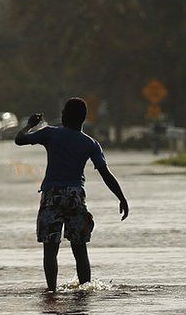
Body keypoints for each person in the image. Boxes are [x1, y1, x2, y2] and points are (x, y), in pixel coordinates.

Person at [15, 97, 129, 292]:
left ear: (63, 116)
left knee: (50, 249)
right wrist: (122, 198)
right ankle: (85, 290)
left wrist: (29, 126)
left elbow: (19, 140)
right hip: (76, 196)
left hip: (52, 196)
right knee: (80, 247)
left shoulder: (50, 134)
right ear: (83, 119)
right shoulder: (91, 144)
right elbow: (106, 174)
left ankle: (52, 291)